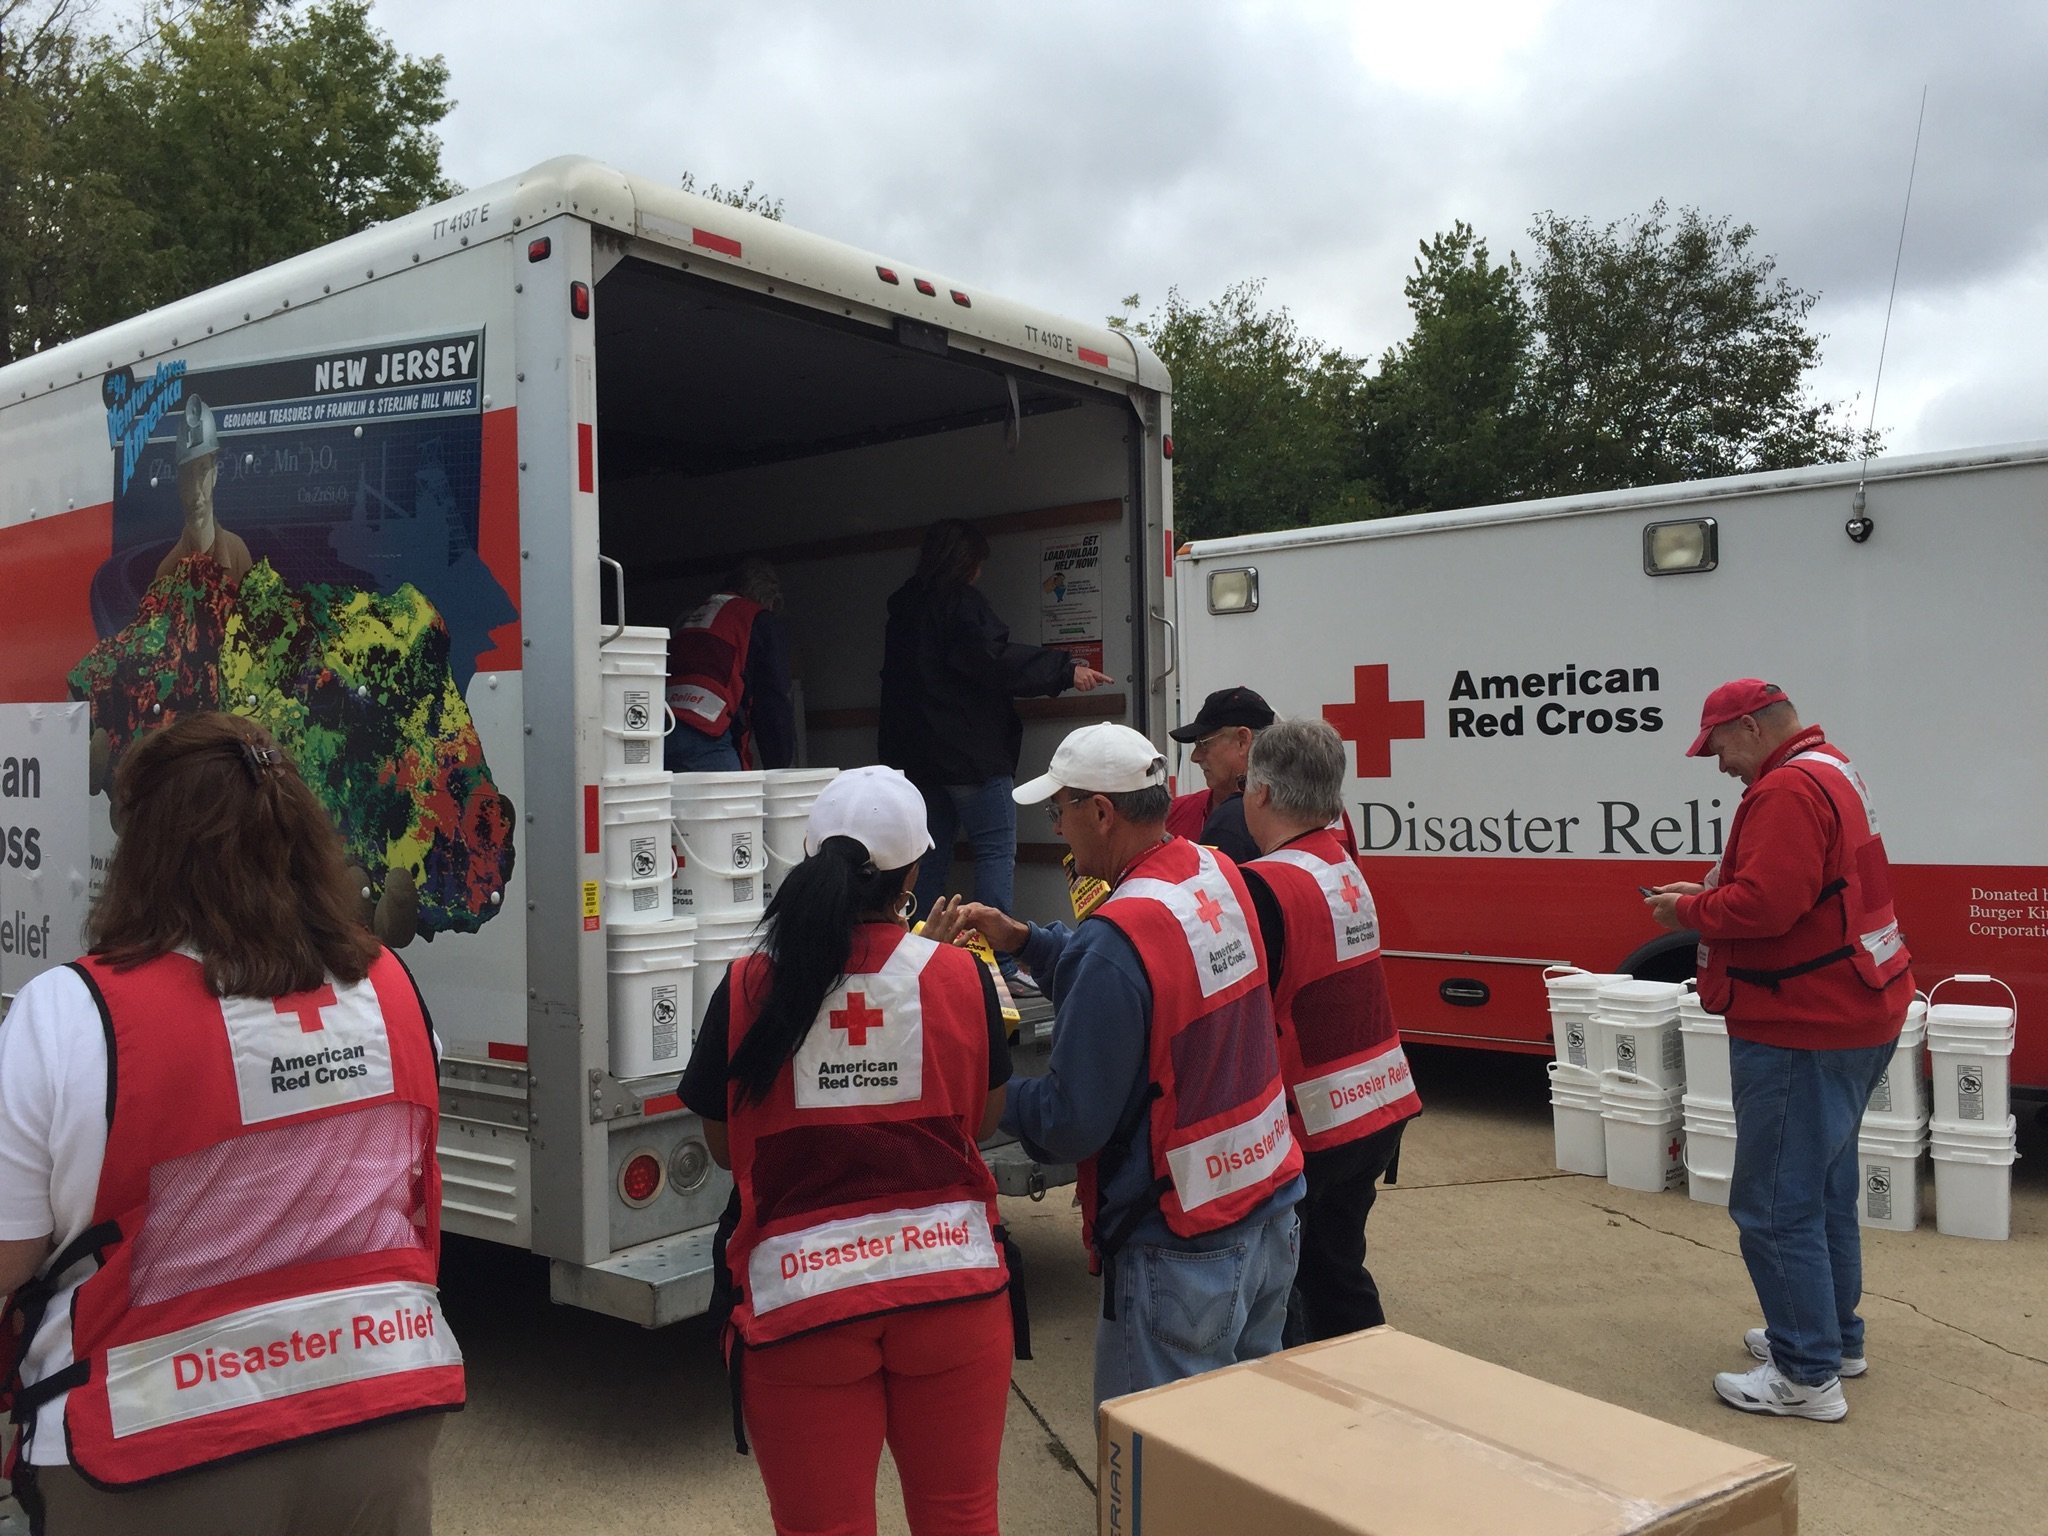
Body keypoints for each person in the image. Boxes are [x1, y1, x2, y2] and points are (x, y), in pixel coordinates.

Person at [0, 713, 464, 1534]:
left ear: (143, 854)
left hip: (152, 1450)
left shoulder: (68, 1014)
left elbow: (8, 1260)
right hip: (379, 1406)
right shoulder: (396, 992)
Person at [677, 765, 1021, 1536]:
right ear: (912, 875)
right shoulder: (959, 975)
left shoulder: (748, 985)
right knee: (962, 1518)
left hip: (803, 1308)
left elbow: (726, 1147)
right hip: (953, 1293)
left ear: (810, 854)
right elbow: (986, 1119)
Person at [926, 722, 1304, 1406]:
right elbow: (1150, 975)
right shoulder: (1215, 872)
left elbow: (1071, 1123)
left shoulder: (1115, 940)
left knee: (1160, 1472)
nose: (1058, 828)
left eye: (1059, 810)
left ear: (1099, 812)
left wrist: (981, 1091)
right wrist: (1026, 941)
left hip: (1181, 1241)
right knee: (1246, 1446)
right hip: (1270, 1204)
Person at [1647, 679, 1912, 1423]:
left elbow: (1767, 906)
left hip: (1804, 1024)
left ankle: (1804, 1373)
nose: (1720, 764)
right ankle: (1834, 1339)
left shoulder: (1785, 790)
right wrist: (1711, 888)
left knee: (1771, 1204)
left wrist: (1686, 910)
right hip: (1861, 1009)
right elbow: (1808, 886)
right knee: (1824, 1192)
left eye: (1720, 747)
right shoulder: (1832, 767)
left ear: (1751, 728)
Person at [1237, 719, 1421, 1343]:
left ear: (1260, 795)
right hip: (1378, 1104)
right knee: (1336, 1269)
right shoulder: (1339, 859)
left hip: (1315, 1121)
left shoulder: (1265, 885)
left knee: (1293, 1288)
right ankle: (1370, 1389)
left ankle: (1326, 1412)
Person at [878, 518, 1111, 992]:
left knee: (928, 860)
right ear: (968, 564)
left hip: (919, 760)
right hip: (971, 755)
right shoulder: (960, 606)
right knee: (994, 852)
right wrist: (1066, 671)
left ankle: (918, 956)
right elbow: (995, 662)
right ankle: (996, 966)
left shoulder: (904, 610)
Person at [666, 557, 798, 772]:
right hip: (708, 736)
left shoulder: (696, 616)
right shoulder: (756, 619)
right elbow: (772, 700)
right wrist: (780, 767)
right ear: (769, 599)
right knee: (732, 803)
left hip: (663, 731)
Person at [1164, 685, 1273, 863]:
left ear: (1242, 741)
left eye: (1203, 743)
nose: (1194, 757)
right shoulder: (1175, 812)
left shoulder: (1283, 820)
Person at [153, 396, 253, 587]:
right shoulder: (166, 571)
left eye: (202, 470)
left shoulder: (238, 553)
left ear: (214, 474)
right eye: (187, 474)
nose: (196, 488)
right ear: (179, 483)